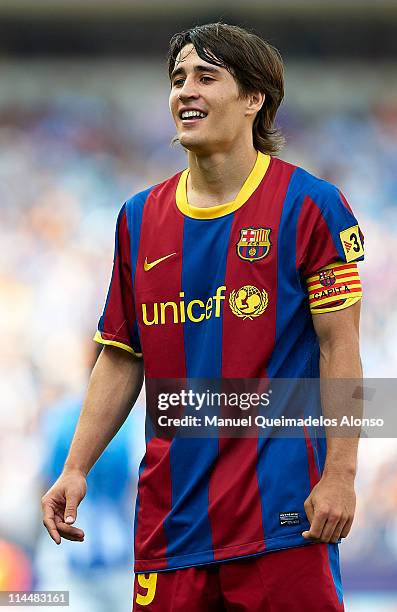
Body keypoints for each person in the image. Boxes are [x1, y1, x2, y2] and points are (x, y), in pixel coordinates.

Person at [42, 22, 364, 611]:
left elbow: (340, 348)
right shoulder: (138, 218)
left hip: (285, 519)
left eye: (206, 77)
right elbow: (120, 355)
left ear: (253, 99)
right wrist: (75, 468)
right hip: (171, 521)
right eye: (177, 78)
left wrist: (341, 475)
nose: (185, 91)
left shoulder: (312, 205)